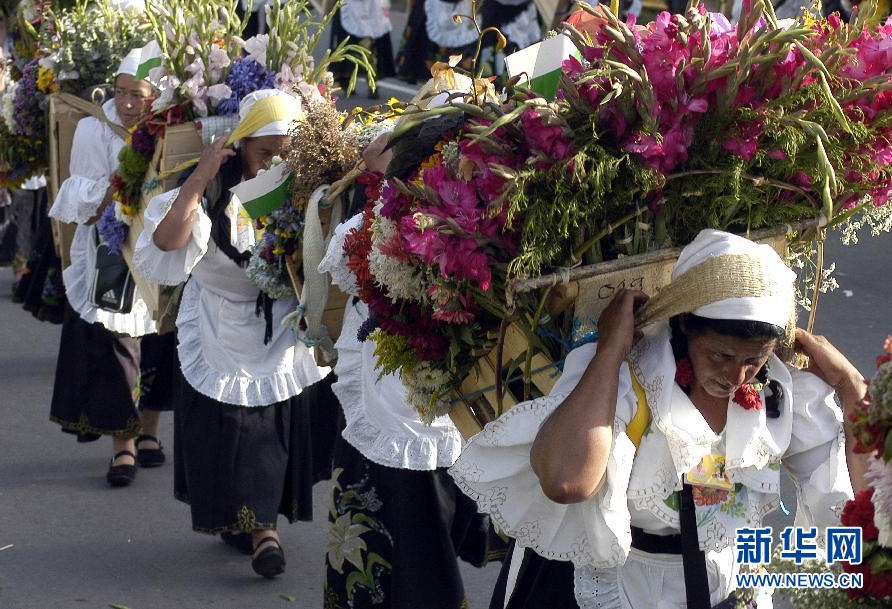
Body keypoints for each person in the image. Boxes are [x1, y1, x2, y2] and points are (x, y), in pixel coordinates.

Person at [450, 230, 870, 608]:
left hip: (716, 586)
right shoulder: (630, 377)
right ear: (685, 325)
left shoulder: (777, 392)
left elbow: (866, 506)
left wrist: (851, 388)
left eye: (752, 359)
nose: (734, 376)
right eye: (720, 355)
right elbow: (565, 480)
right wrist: (611, 349)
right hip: (614, 582)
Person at [133, 89, 331, 578]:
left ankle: (266, 531)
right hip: (219, 317)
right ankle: (239, 519)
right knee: (227, 430)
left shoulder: (303, 188)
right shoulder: (213, 186)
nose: (275, 162)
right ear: (240, 146)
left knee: (268, 427)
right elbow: (167, 240)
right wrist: (200, 175)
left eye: (285, 151)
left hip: (278, 324)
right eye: (264, 152)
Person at [318, 177, 506, 607]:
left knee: (416, 556)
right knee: (413, 551)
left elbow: (343, 261)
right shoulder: (392, 221)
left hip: (422, 406)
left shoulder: (405, 221)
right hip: (418, 404)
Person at [47, 48, 174, 486]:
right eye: (120, 92)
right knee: (118, 344)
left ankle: (149, 433)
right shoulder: (94, 129)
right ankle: (122, 444)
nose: (126, 103)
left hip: (160, 249)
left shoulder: (173, 128)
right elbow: (82, 204)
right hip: (111, 252)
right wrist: (123, 191)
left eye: (137, 95)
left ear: (155, 95)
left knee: (161, 342)